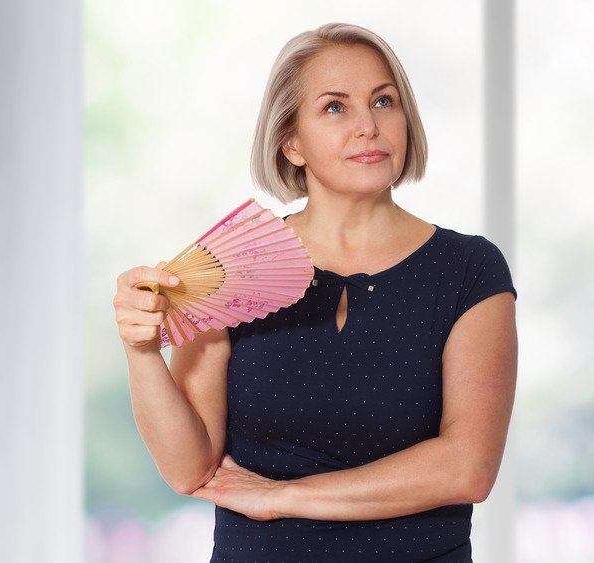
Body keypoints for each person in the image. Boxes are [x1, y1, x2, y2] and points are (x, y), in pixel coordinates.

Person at [113, 22, 517, 563]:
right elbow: (189, 468)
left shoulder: (469, 269)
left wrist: (284, 497)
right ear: (291, 142)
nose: (369, 126)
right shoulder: (229, 267)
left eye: (383, 101)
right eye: (335, 107)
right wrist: (141, 353)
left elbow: (468, 467)